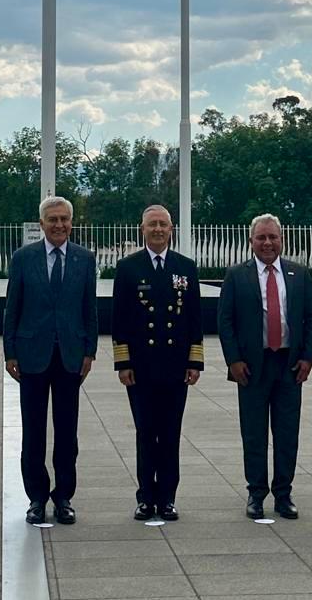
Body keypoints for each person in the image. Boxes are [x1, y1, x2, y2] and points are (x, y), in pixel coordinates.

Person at [217, 213, 312, 520]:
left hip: (289, 365)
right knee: (254, 432)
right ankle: (256, 492)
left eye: (272, 237)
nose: (267, 243)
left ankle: (284, 493)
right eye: (261, 237)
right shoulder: (237, 275)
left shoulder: (298, 274)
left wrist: (308, 358)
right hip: (251, 366)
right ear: (251, 242)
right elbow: (225, 321)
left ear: (281, 240)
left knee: (287, 433)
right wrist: (233, 360)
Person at [3, 195, 97, 525]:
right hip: (32, 356)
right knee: (33, 432)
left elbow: (90, 309)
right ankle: (37, 497)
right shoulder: (23, 258)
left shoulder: (85, 259)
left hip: (70, 356)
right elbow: (12, 306)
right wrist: (10, 351)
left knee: (67, 432)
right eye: (52, 220)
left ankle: (64, 496)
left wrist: (90, 351)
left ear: (72, 222)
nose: (59, 225)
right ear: (41, 224)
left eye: (64, 219)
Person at [112, 205, 203, 522]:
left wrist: (195, 361)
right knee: (145, 431)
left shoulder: (185, 268)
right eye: (152, 224)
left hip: (176, 366)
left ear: (171, 229)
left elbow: (194, 318)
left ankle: (167, 497)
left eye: (163, 224)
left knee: (171, 432)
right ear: (142, 229)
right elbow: (119, 319)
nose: (158, 229)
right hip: (141, 367)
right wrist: (123, 363)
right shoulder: (128, 268)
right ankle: (145, 497)